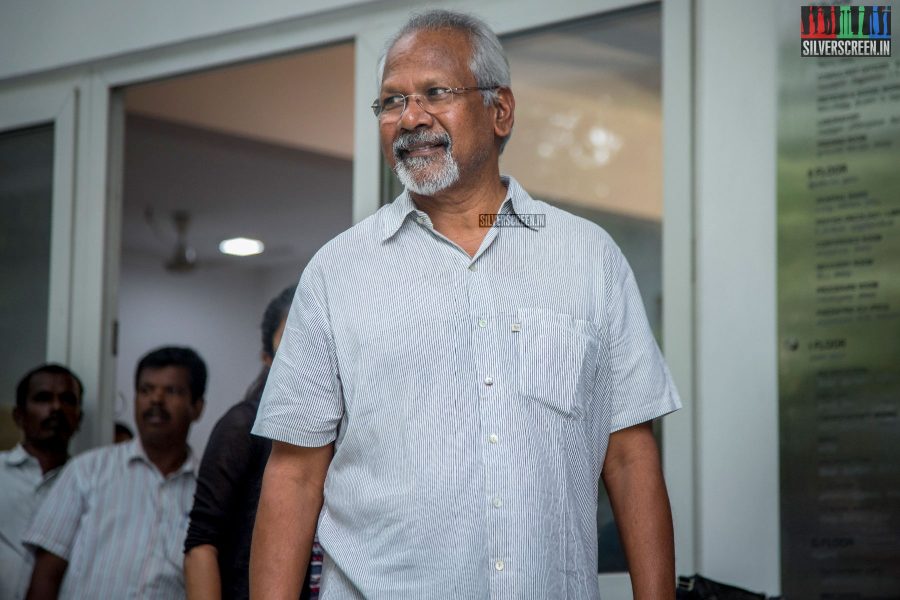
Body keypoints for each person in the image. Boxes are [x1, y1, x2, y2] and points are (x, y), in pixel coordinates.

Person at [251, 9, 681, 599]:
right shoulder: (336, 272)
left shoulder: (588, 259)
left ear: (499, 111)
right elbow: (294, 474)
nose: (411, 118)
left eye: (435, 93)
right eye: (392, 101)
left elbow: (631, 458)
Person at [23, 346, 206, 599]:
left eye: (171, 391)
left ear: (197, 407)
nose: (156, 399)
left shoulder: (208, 490)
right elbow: (46, 576)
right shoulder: (87, 471)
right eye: (146, 390)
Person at [184, 285, 322, 600]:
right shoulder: (242, 424)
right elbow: (201, 545)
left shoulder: (336, 430)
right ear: (267, 358)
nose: (306, 357)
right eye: (291, 344)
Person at [0, 364, 83, 600]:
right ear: (19, 415)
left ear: (79, 418)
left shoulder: (89, 485)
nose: (56, 408)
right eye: (43, 398)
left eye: (67, 399)